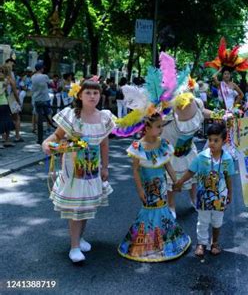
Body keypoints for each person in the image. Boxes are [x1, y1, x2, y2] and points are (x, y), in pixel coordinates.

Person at [41, 78, 115, 263]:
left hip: (92, 169)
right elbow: (57, 136)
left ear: (100, 95)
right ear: (79, 95)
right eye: (88, 92)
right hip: (72, 171)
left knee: (86, 205)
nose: (92, 96)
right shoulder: (71, 115)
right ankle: (74, 246)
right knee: (76, 207)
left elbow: (105, 144)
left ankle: (80, 239)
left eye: (95, 93)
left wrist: (105, 167)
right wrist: (47, 143)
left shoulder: (105, 117)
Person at [117, 113, 191, 262]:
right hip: (148, 188)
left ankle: (165, 242)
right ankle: (149, 244)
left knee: (162, 211)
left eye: (162, 126)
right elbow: (136, 170)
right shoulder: (138, 147)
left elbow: (168, 164)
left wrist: (176, 182)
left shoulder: (163, 144)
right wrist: (140, 190)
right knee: (149, 212)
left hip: (162, 186)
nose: (161, 129)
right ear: (147, 127)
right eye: (158, 126)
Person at [175, 123, 236, 257]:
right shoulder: (201, 157)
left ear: (224, 141)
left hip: (220, 197)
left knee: (217, 221)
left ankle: (215, 242)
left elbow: (228, 178)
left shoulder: (227, 159)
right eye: (210, 140)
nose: (212, 143)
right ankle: (201, 243)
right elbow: (191, 172)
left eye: (216, 140)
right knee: (202, 220)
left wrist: (230, 194)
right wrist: (179, 182)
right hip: (203, 197)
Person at [32, 61, 56, 135]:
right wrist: (51, 81)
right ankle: (48, 129)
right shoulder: (44, 76)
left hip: (36, 98)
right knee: (48, 113)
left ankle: (38, 129)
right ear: (41, 69)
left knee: (38, 114)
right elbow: (51, 84)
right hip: (45, 98)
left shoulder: (32, 77)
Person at [0, 66, 16, 148]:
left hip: (5, 103)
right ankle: (4, 139)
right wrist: (4, 87)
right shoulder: (3, 83)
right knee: (3, 122)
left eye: (2, 72)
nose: (1, 74)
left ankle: (7, 140)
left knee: (7, 121)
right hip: (2, 104)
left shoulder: (4, 81)